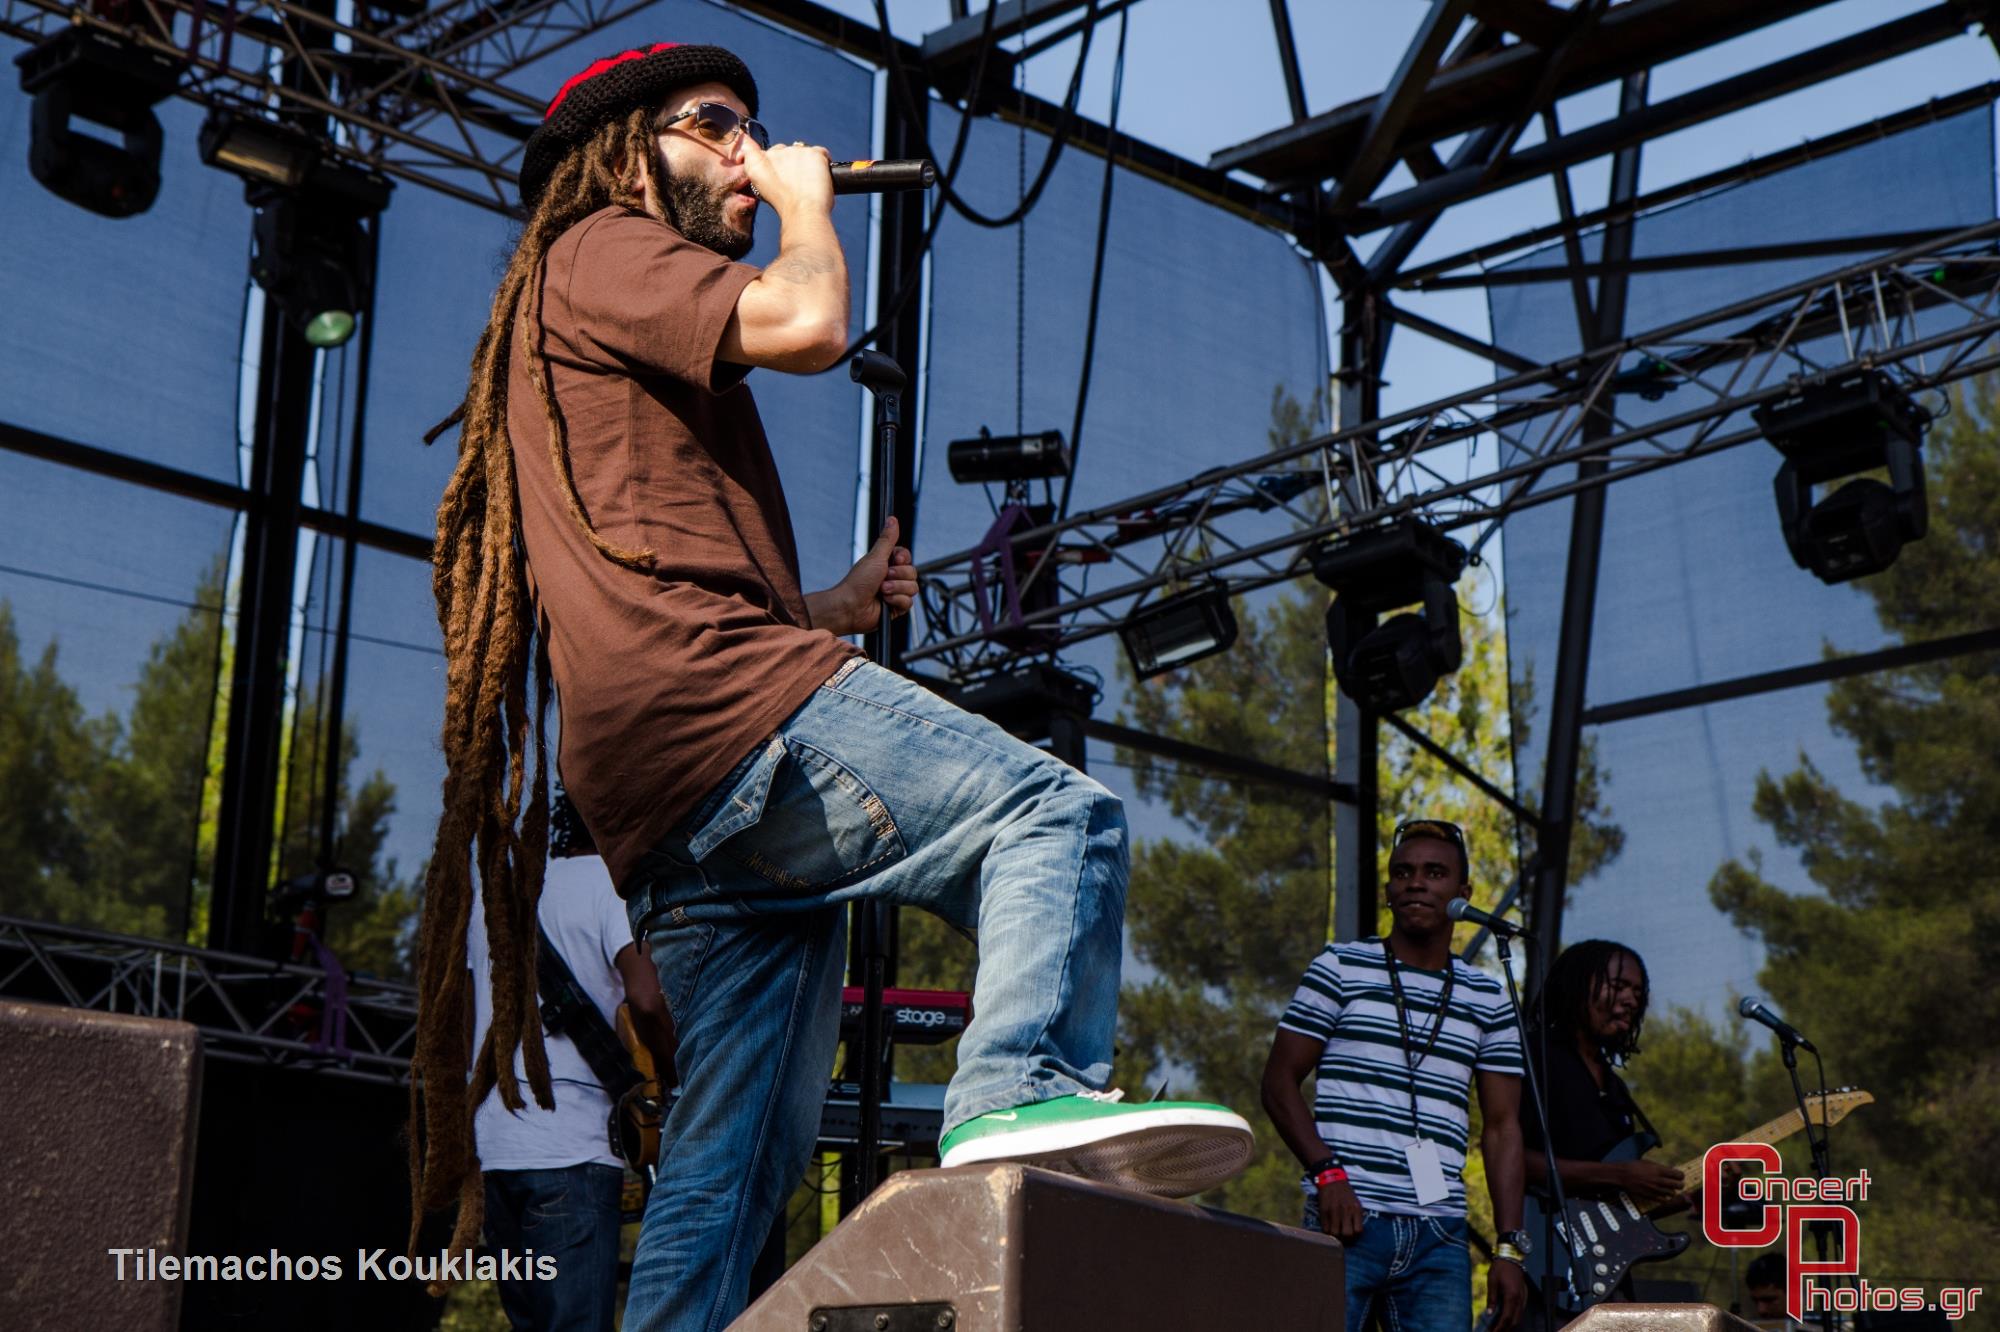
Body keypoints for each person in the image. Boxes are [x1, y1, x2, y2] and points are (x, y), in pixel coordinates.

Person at [408, 40, 1254, 1332]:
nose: (748, 153)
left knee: (727, 1177)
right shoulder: (600, 243)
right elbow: (807, 322)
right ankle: (1014, 1088)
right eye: (716, 125)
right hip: (726, 713)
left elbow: (650, 576)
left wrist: (835, 609)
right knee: (1053, 817)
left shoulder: (574, 316)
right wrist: (806, 209)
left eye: (757, 132)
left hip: (671, 788)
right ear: (627, 151)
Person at [1262, 817, 1529, 1332]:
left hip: (1438, 1233)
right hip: (1346, 1216)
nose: (1416, 883)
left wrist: (1509, 1248)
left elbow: (1503, 1128)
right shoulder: (1340, 966)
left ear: (1463, 894)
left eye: (1434, 873)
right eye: (1403, 873)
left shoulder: (1489, 998)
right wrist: (1327, 1173)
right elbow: (1277, 1083)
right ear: (1387, 891)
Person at [468, 853, 678, 1331]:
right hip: (571, 1151)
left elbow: (464, 1026)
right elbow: (647, 1000)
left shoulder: (493, 892)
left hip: (496, 1152)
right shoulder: (610, 884)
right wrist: (673, 1078)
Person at [1518, 940, 1690, 1325]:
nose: (1630, 1000)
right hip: (1544, 1267)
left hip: (1601, 1275)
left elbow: (1613, 1209)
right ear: (1579, 986)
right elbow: (1514, 1160)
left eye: (1638, 993)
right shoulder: (1536, 1058)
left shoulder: (1614, 1088)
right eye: (1618, 986)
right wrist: (1619, 1175)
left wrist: (1692, 1195)